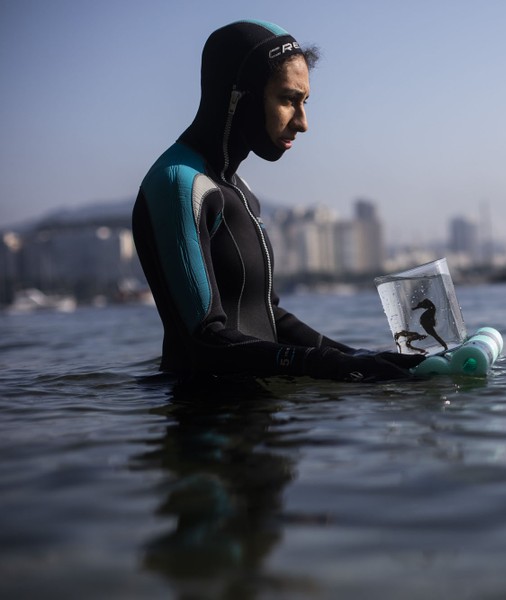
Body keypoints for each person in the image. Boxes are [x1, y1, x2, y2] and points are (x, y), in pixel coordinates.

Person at [132, 20, 424, 382]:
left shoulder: (240, 191)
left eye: (305, 102)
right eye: (288, 100)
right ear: (238, 96)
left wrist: (361, 357)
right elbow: (204, 341)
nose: (303, 123)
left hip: (261, 418)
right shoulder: (179, 185)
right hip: (207, 424)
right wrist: (332, 366)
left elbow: (270, 317)